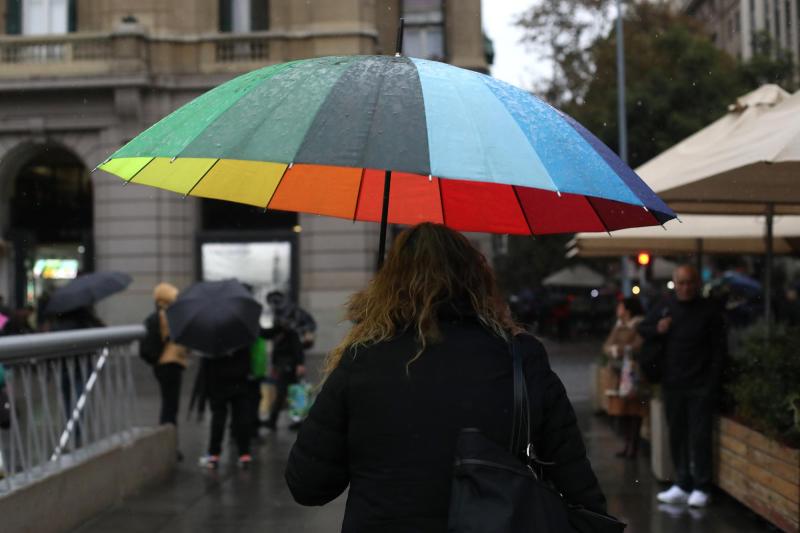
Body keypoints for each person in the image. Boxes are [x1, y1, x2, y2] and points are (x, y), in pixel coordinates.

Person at [285, 223, 606, 531]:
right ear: (476, 278)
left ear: (389, 283)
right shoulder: (520, 357)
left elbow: (309, 485)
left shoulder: (363, 359)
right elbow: (578, 487)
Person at [638, 264, 726, 508]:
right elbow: (642, 328)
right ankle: (682, 482)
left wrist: (712, 383)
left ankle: (702, 486)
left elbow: (719, 350)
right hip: (673, 383)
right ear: (674, 284)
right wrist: (658, 328)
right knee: (676, 434)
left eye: (689, 282)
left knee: (699, 437)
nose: (685, 287)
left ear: (697, 284)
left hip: (700, 384)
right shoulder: (666, 306)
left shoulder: (709, 310)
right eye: (681, 283)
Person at [602, 297, 646, 459]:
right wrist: (616, 349)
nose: (617, 310)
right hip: (618, 374)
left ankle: (633, 446)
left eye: (620, 306)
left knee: (634, 411)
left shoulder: (639, 325)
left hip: (633, 374)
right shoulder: (619, 325)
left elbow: (637, 346)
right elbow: (606, 346)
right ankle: (627, 445)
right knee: (622, 412)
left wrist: (617, 349)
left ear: (627, 310)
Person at [199, 345, 253, 469]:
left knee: (218, 420)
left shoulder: (211, 342)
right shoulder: (241, 341)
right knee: (241, 419)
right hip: (239, 386)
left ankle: (214, 454)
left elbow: (206, 368)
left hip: (218, 387)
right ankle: (244, 454)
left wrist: (206, 391)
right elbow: (247, 366)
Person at [142, 283, 188, 427]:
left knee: (168, 402)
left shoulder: (159, 314)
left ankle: (168, 434)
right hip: (172, 363)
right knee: (171, 405)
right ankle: (168, 436)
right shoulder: (169, 315)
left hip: (161, 363)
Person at [260, 318, 305, 431]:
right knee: (291, 393)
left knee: (284, 393)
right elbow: (266, 334)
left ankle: (273, 421)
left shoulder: (290, 333)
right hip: (284, 366)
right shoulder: (278, 331)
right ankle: (296, 421)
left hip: (288, 367)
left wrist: (300, 363)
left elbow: (297, 348)